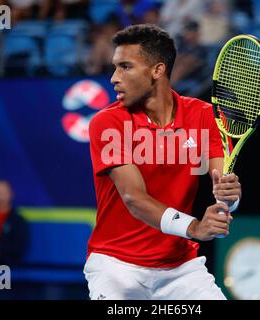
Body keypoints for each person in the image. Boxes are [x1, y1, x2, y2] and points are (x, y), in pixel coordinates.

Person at [84, 24, 241, 300]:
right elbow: (134, 198)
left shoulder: (205, 117)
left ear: (157, 70)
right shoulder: (108, 123)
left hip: (180, 269)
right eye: (115, 67)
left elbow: (222, 184)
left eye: (125, 67)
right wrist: (194, 227)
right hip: (116, 267)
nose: (114, 78)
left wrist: (230, 199)